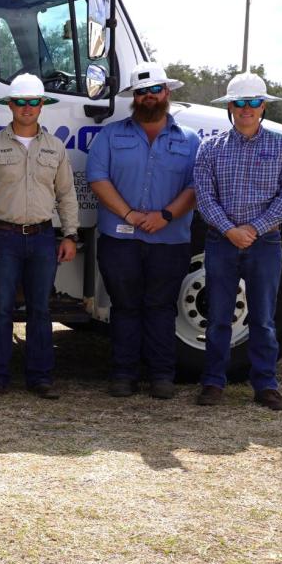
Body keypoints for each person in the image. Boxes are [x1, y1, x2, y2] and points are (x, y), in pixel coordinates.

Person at [87, 62, 199, 400]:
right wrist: (131, 215)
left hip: (170, 239)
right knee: (124, 306)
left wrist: (165, 215)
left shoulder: (190, 140)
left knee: (162, 307)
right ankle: (123, 374)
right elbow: (97, 178)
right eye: (142, 92)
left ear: (166, 93)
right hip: (119, 238)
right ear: (134, 97)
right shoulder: (110, 134)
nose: (149, 97)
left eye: (155, 90)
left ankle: (162, 375)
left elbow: (196, 186)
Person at [0, 74, 79, 399]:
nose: (27, 108)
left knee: (40, 310)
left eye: (33, 101)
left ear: (42, 104)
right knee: (1, 309)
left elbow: (67, 195)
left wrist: (70, 234)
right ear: (10, 105)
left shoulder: (56, 148)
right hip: (3, 238)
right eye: (21, 102)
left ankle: (40, 377)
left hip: (44, 238)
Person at [193, 73, 282, 411]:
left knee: (264, 319)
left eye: (253, 102)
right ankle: (213, 382)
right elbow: (205, 197)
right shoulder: (210, 149)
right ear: (230, 107)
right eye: (240, 103)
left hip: (265, 243)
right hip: (221, 242)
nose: (247, 109)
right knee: (219, 317)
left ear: (263, 106)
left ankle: (266, 385)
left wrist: (253, 228)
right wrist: (230, 230)